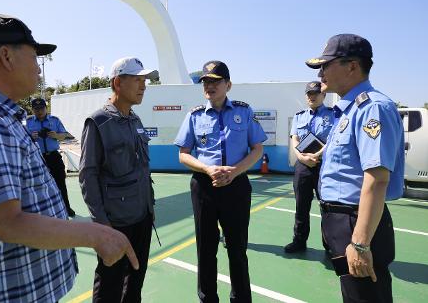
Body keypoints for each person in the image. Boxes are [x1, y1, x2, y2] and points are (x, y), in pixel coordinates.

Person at [0, 13, 138, 303]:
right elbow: (8, 223)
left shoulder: (0, 116)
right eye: (35, 56)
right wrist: (96, 235)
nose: (40, 69)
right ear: (6, 56)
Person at [306, 34, 404, 302]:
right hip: (341, 221)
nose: (321, 71)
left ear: (352, 66)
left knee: (365, 297)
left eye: (326, 64)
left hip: (357, 222)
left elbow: (377, 179)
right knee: (355, 295)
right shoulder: (348, 110)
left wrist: (360, 243)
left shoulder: (372, 108)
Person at [174, 60, 267, 303]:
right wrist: (207, 168)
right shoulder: (194, 115)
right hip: (205, 186)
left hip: (236, 186)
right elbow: (183, 154)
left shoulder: (243, 111)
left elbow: (257, 149)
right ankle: (208, 298)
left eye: (215, 81)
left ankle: (241, 298)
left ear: (228, 85)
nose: (209, 86)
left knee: (237, 249)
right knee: (206, 249)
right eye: (205, 81)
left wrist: (234, 171)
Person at [79, 57, 157, 303]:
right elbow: (87, 175)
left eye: (144, 80)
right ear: (117, 83)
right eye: (137, 79)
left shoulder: (135, 120)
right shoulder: (99, 122)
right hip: (116, 222)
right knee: (110, 287)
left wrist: (149, 209)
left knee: (135, 283)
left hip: (143, 217)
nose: (143, 85)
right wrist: (102, 225)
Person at [284, 81, 333, 253]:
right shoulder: (299, 116)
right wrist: (301, 157)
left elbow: (333, 139)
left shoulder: (333, 114)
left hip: (324, 166)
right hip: (303, 166)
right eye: (309, 94)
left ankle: (330, 246)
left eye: (315, 93)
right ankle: (299, 241)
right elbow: (295, 138)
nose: (312, 96)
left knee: (327, 206)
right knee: (301, 206)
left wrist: (317, 155)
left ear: (323, 95)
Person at [26, 97, 76, 217]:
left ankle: (66, 208)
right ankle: (44, 212)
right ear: (32, 110)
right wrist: (30, 137)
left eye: (41, 108)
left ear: (46, 108)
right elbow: (21, 140)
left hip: (54, 157)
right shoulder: (28, 122)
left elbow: (67, 136)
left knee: (60, 184)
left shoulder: (55, 120)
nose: (39, 111)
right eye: (36, 109)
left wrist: (56, 135)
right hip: (37, 159)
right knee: (39, 186)